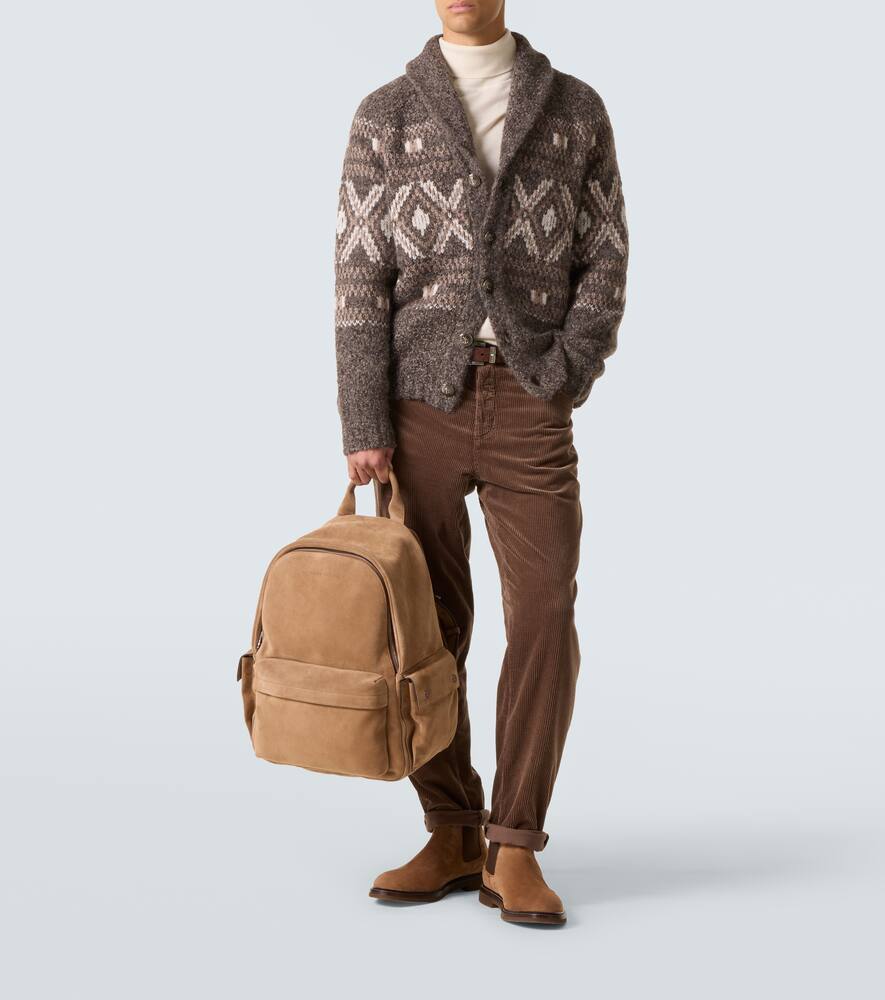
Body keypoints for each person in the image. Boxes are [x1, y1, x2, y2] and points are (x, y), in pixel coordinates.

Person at [334, 0, 627, 925]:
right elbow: (358, 273)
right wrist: (362, 418)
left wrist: (565, 372)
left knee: (543, 614)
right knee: (424, 628)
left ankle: (514, 843)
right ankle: (452, 827)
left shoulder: (573, 107)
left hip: (528, 398)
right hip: (417, 405)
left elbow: (604, 252)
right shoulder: (386, 113)